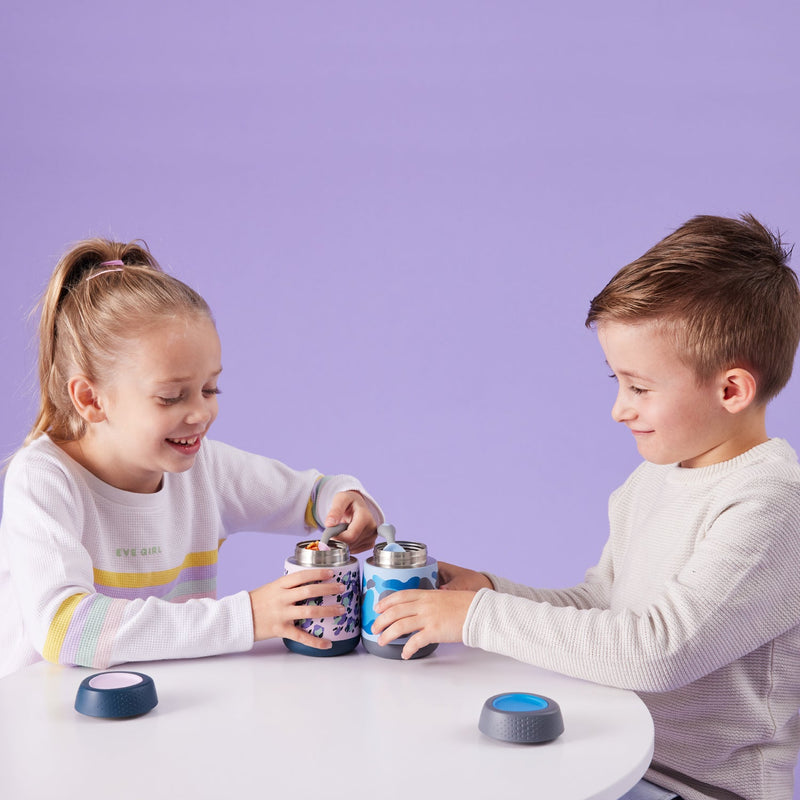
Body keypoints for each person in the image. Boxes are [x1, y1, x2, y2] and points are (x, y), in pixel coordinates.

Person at [373, 214, 800, 800]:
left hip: (700, 786)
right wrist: (488, 591)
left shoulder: (773, 505)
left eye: (639, 387)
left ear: (730, 390)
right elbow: (603, 606)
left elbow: (657, 652)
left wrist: (475, 618)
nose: (619, 409)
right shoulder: (652, 480)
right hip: (619, 758)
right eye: (616, 382)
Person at [0, 238, 382, 679]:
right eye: (171, 397)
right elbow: (66, 630)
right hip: (51, 725)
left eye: (210, 389)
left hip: (160, 711)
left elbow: (313, 495)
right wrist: (248, 616)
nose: (201, 413)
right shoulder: (44, 480)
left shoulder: (207, 471)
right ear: (91, 399)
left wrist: (348, 497)